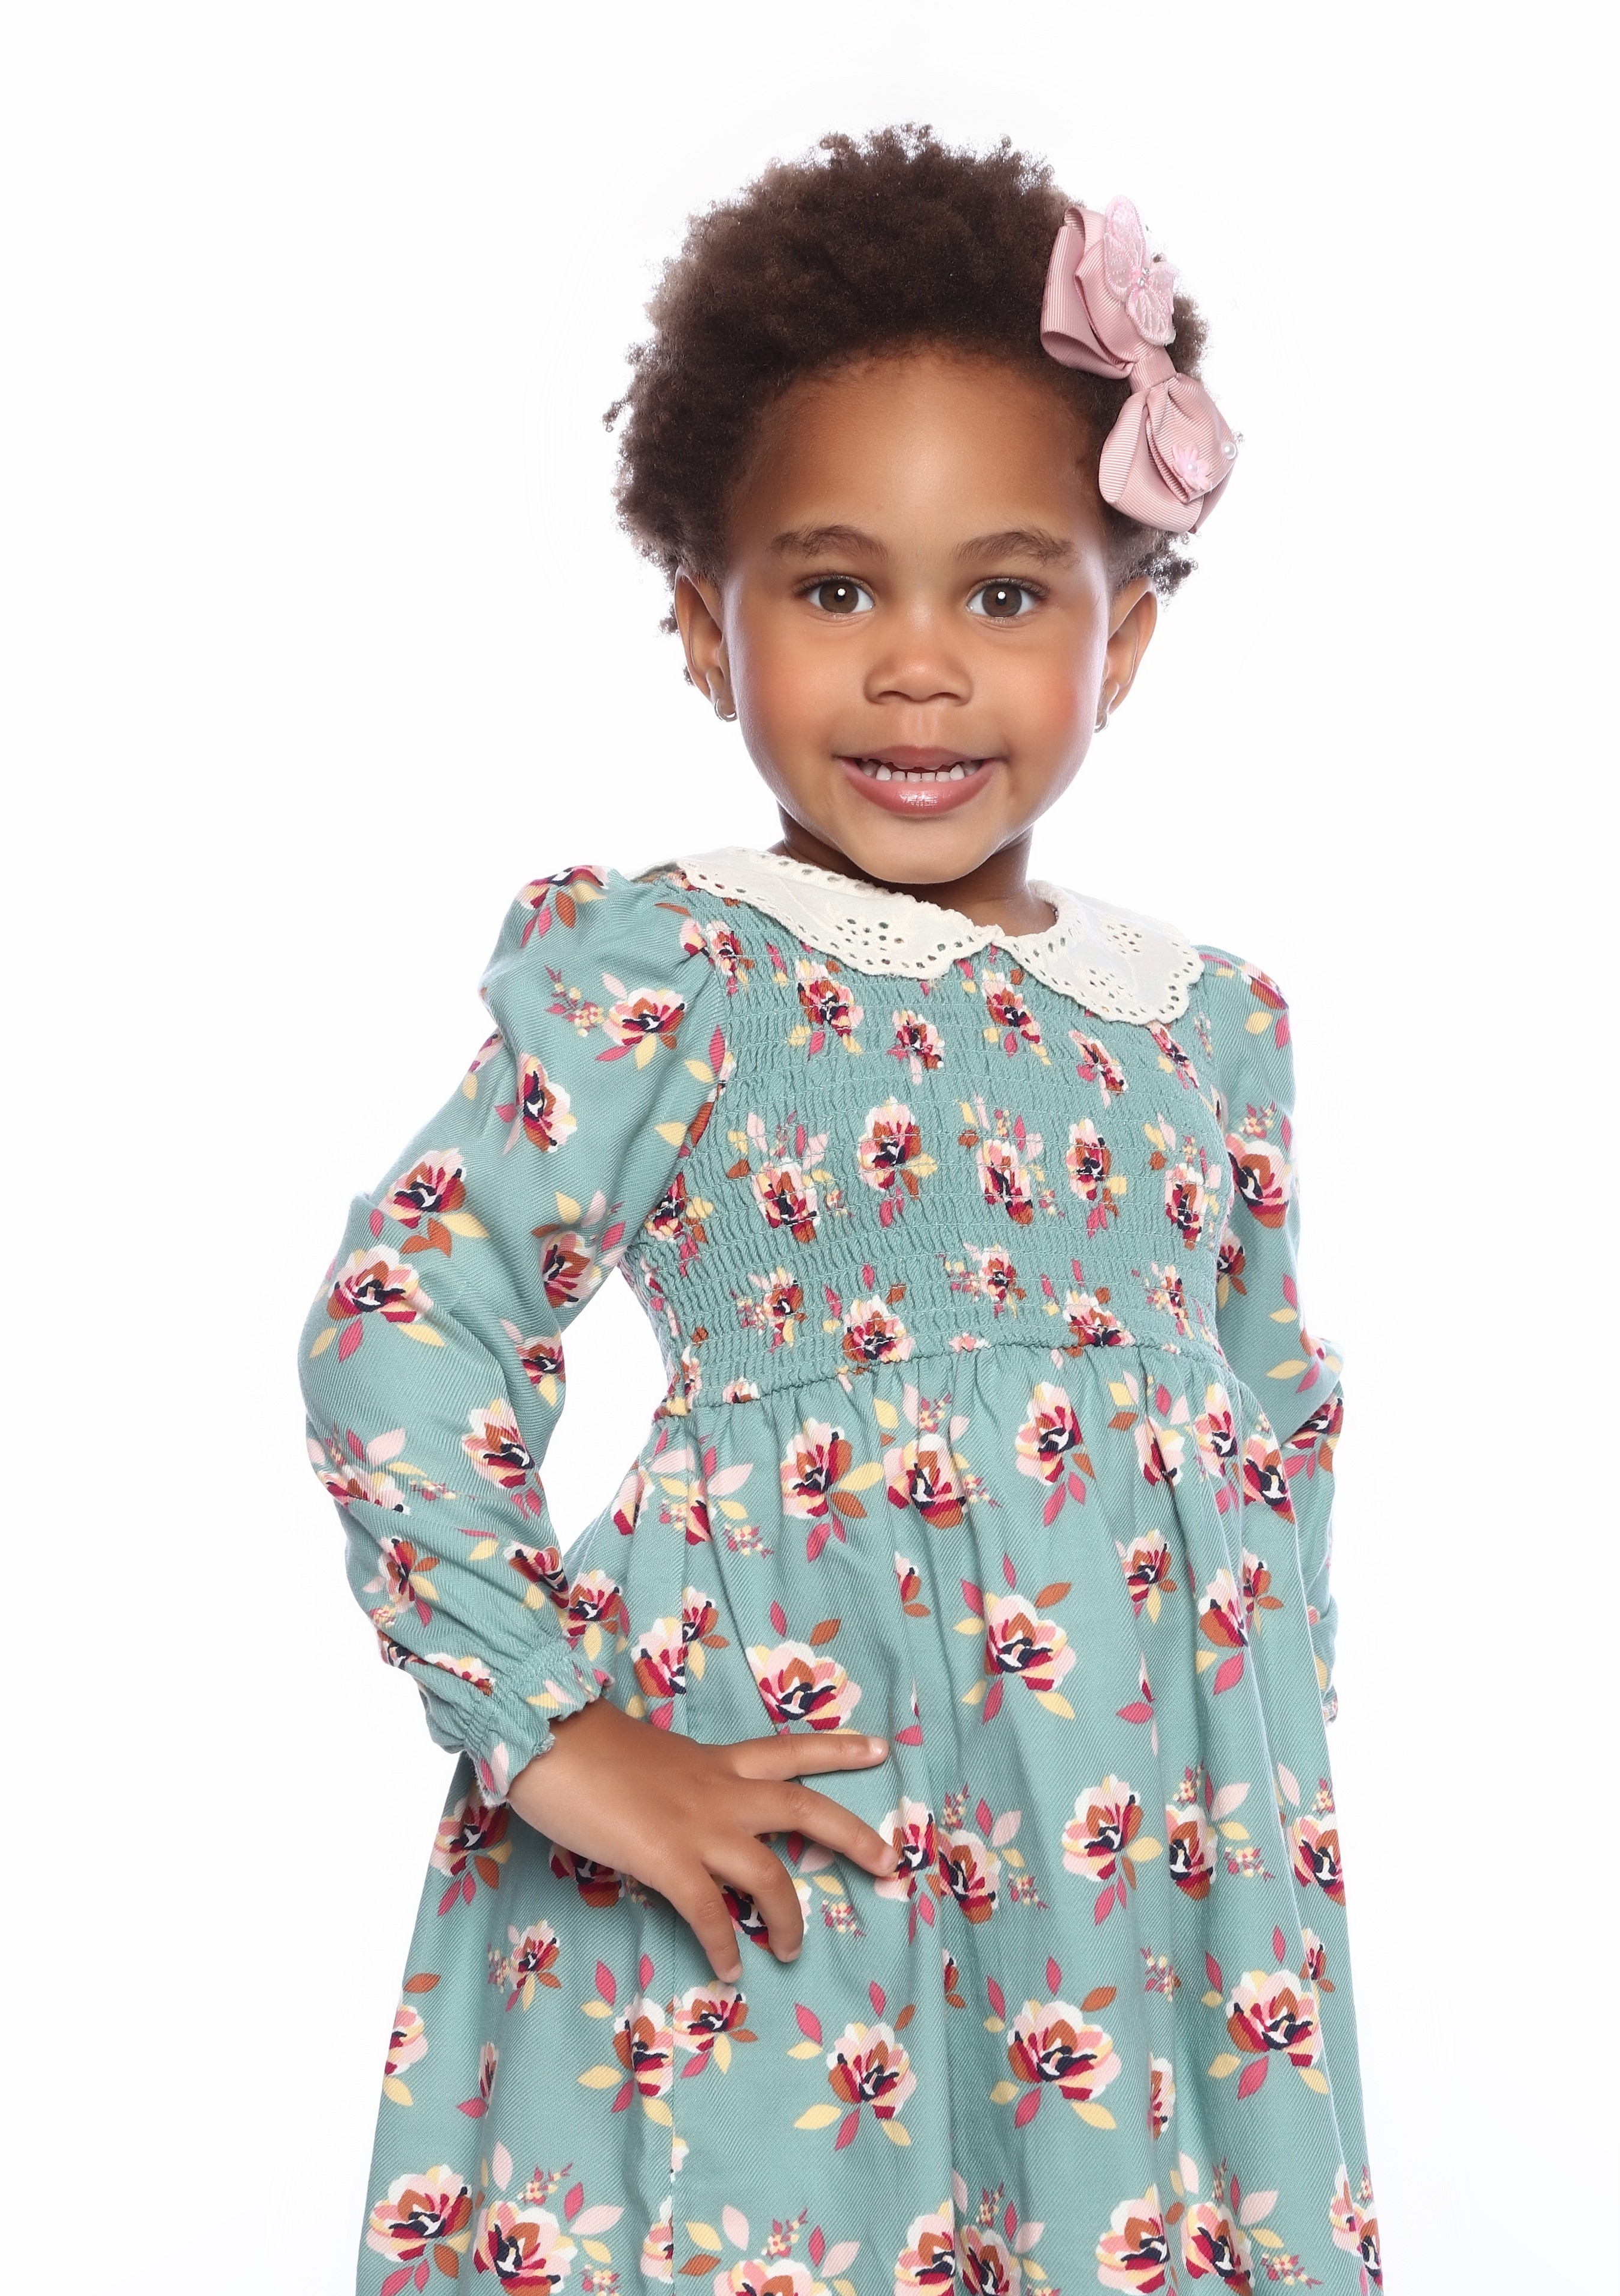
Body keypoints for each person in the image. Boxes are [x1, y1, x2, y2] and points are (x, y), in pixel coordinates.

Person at [300, 126, 1381, 2296]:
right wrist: (554, 1729)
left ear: (1121, 642)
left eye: (1003, 593)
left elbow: (1274, 1426)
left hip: (1137, 1902)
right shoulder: (678, 970)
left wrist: (1246, 1791)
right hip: (795, 1834)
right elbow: (411, 1311)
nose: (916, 668)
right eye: (831, 589)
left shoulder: (1204, 1026)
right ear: (703, 631)